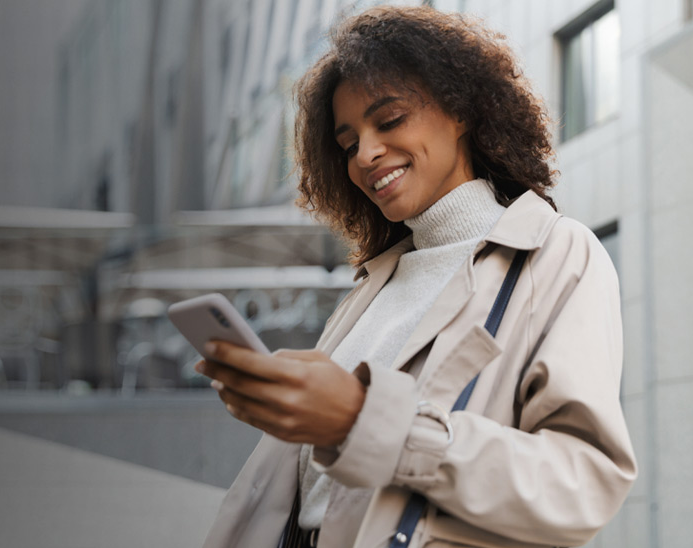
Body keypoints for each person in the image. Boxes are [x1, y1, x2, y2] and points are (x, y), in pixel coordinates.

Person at [196, 6, 636, 548]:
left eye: (389, 119)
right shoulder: (373, 285)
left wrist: (361, 420)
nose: (366, 154)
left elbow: (581, 485)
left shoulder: (557, 254)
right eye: (348, 142)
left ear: (462, 111)